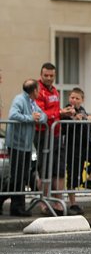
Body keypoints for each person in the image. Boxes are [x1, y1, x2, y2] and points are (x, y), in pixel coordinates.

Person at [60, 87, 91, 215]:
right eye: (72, 97)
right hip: (73, 149)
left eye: (77, 98)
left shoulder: (82, 110)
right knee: (72, 177)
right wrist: (72, 118)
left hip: (87, 146)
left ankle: (88, 180)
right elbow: (63, 127)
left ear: (82, 100)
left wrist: (90, 117)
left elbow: (87, 116)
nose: (74, 100)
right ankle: (73, 204)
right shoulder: (67, 110)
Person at [36, 62, 76, 214]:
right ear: (41, 75)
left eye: (51, 76)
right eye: (45, 75)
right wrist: (60, 113)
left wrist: (64, 112)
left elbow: (55, 111)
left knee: (59, 168)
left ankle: (58, 201)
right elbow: (42, 113)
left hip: (56, 133)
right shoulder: (38, 90)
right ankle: (44, 202)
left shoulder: (55, 91)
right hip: (42, 132)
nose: (48, 78)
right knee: (44, 168)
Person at [3, 79, 47, 217]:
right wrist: (30, 118)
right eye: (37, 90)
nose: (38, 92)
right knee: (18, 176)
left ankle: (4, 200)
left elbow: (43, 116)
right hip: (16, 144)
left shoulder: (32, 102)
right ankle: (17, 207)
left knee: (23, 175)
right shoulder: (20, 99)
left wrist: (38, 118)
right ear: (34, 90)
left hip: (27, 145)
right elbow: (13, 115)